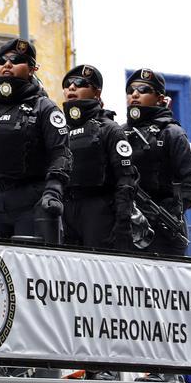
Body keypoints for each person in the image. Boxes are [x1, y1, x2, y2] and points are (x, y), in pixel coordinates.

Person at [0, 38, 71, 242]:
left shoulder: (44, 108)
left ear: (32, 69)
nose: (7, 64)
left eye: (16, 60)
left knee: (29, 271)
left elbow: (61, 154)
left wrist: (53, 191)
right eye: (2, 61)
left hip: (30, 205)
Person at [123, 68, 191, 256]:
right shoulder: (119, 132)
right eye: (131, 90)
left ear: (159, 98)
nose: (135, 94)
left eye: (143, 90)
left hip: (163, 224)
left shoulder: (172, 133)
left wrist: (171, 208)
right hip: (128, 221)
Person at [61, 64, 138, 252]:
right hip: (66, 209)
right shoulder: (60, 130)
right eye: (68, 84)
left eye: (80, 83)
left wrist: (123, 221)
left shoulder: (110, 129)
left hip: (99, 212)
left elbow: (126, 179)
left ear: (97, 93)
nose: (72, 87)